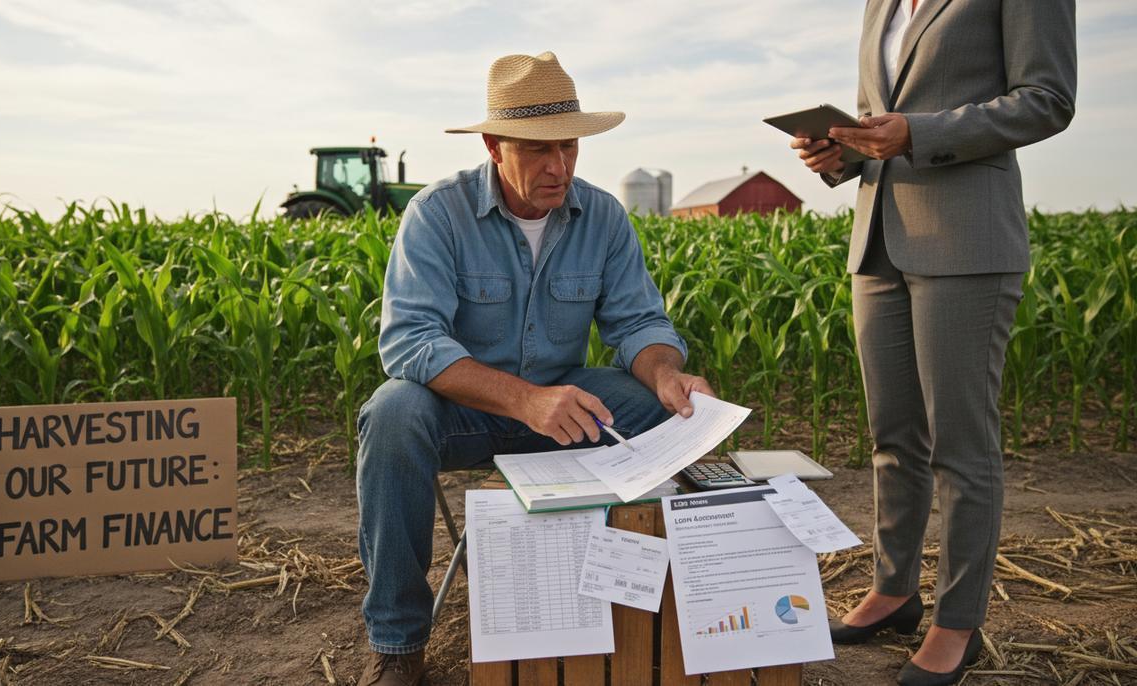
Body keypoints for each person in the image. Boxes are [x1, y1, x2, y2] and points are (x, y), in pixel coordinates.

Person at [355, 51, 713, 686]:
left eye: (570, 148)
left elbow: (639, 325)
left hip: (564, 406)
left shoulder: (602, 216)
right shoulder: (438, 214)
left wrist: (665, 375)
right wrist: (524, 400)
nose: (560, 167)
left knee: (670, 411)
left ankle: (648, 614)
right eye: (538, 150)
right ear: (494, 145)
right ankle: (399, 644)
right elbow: (411, 341)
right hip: (461, 411)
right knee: (391, 413)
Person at [789, 1, 1076, 684]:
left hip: (967, 239)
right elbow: (872, 125)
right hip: (879, 239)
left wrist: (918, 132)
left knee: (961, 447)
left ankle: (958, 622)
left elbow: (1047, 100)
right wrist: (836, 153)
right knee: (892, 438)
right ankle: (894, 592)